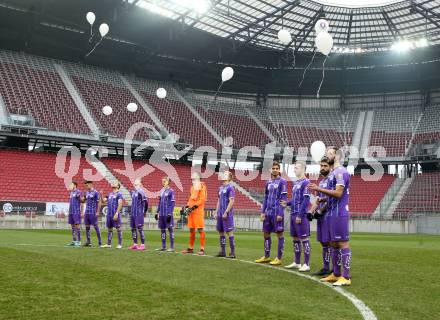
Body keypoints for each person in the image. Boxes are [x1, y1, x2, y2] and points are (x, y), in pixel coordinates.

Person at [309, 147, 352, 286]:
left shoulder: (340, 172)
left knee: (342, 243)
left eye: (330, 153)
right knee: (333, 243)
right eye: (326, 153)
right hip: (332, 213)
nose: (327, 155)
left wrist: (318, 189)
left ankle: (346, 276)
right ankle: (336, 273)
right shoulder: (333, 173)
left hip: (339, 213)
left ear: (337, 156)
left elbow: (339, 194)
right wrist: (322, 200)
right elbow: (332, 196)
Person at [255, 161, 288, 266]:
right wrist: (262, 212)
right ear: (270, 170)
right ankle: (266, 256)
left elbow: (283, 199)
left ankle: (279, 258)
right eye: (273, 168)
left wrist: (280, 213)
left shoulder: (282, 182)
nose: (275, 170)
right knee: (266, 233)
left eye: (276, 168)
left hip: (276, 212)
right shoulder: (268, 182)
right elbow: (266, 198)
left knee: (279, 234)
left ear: (279, 170)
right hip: (267, 213)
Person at [282, 161, 311, 272]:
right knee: (295, 239)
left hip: (301, 215)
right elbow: (295, 200)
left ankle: (307, 263)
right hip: (293, 214)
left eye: (297, 168)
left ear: (303, 169)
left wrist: (300, 215)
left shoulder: (306, 182)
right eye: (294, 168)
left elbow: (306, 200)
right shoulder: (296, 183)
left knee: (304, 239)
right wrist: (287, 203)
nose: (294, 170)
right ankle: (297, 262)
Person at [310, 157, 332, 276]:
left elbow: (331, 199)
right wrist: (311, 211)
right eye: (321, 166)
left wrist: (320, 211)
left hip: (329, 214)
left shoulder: (332, 180)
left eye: (325, 166)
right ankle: (326, 267)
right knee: (323, 242)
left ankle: (335, 269)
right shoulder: (321, 182)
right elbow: (317, 200)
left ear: (330, 167)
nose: (323, 168)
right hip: (321, 216)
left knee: (331, 242)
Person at [181, 172, 207, 256]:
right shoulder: (192, 187)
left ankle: (202, 249)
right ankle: (190, 248)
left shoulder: (202, 186)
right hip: (191, 212)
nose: (192, 178)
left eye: (194, 177)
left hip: (198, 211)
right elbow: (190, 199)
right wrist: (187, 207)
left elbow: (202, 199)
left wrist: (193, 207)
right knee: (191, 229)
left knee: (200, 229)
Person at [215, 171, 236, 259]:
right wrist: (216, 211)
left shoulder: (230, 188)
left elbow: (232, 201)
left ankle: (232, 253)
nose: (223, 175)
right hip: (220, 213)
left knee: (229, 232)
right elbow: (219, 201)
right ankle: (223, 251)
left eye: (226, 174)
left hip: (227, 214)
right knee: (221, 231)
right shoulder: (220, 188)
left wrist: (226, 212)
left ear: (229, 178)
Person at [101, 182, 124, 249]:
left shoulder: (119, 194)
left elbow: (120, 204)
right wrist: (101, 194)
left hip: (115, 214)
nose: (113, 183)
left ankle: (119, 244)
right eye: (113, 183)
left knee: (118, 229)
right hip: (109, 214)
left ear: (118, 186)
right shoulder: (110, 194)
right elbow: (103, 201)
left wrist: (117, 213)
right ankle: (109, 244)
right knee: (109, 229)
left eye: (115, 183)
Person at [155, 177, 175, 252]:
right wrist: (157, 212)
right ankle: (163, 246)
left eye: (164, 181)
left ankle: (172, 247)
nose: (163, 182)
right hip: (162, 214)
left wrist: (170, 213)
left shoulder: (171, 191)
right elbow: (159, 203)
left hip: (167, 214)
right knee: (162, 230)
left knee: (170, 229)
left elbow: (172, 203)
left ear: (168, 182)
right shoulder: (162, 191)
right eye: (162, 181)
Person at [128, 178, 148, 251]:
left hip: (138, 213)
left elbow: (146, 202)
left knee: (140, 229)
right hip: (133, 213)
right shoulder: (134, 192)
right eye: (134, 181)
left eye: (136, 181)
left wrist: (144, 211)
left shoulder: (141, 192)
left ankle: (143, 245)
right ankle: (135, 244)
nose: (135, 182)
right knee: (133, 229)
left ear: (140, 183)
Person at [82, 181, 102, 247]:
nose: (86, 187)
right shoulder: (87, 192)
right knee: (87, 227)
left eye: (87, 185)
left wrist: (98, 211)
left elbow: (99, 202)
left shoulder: (96, 192)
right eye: (85, 186)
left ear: (91, 185)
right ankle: (89, 242)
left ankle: (100, 242)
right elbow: (83, 200)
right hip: (87, 212)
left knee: (96, 226)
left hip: (93, 212)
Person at [66, 182, 82, 247]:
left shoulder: (78, 192)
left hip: (76, 211)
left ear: (75, 185)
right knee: (72, 226)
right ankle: (74, 241)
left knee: (77, 225)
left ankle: (79, 241)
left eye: (71, 184)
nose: (70, 186)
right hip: (71, 211)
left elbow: (80, 200)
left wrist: (79, 197)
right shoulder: (71, 193)